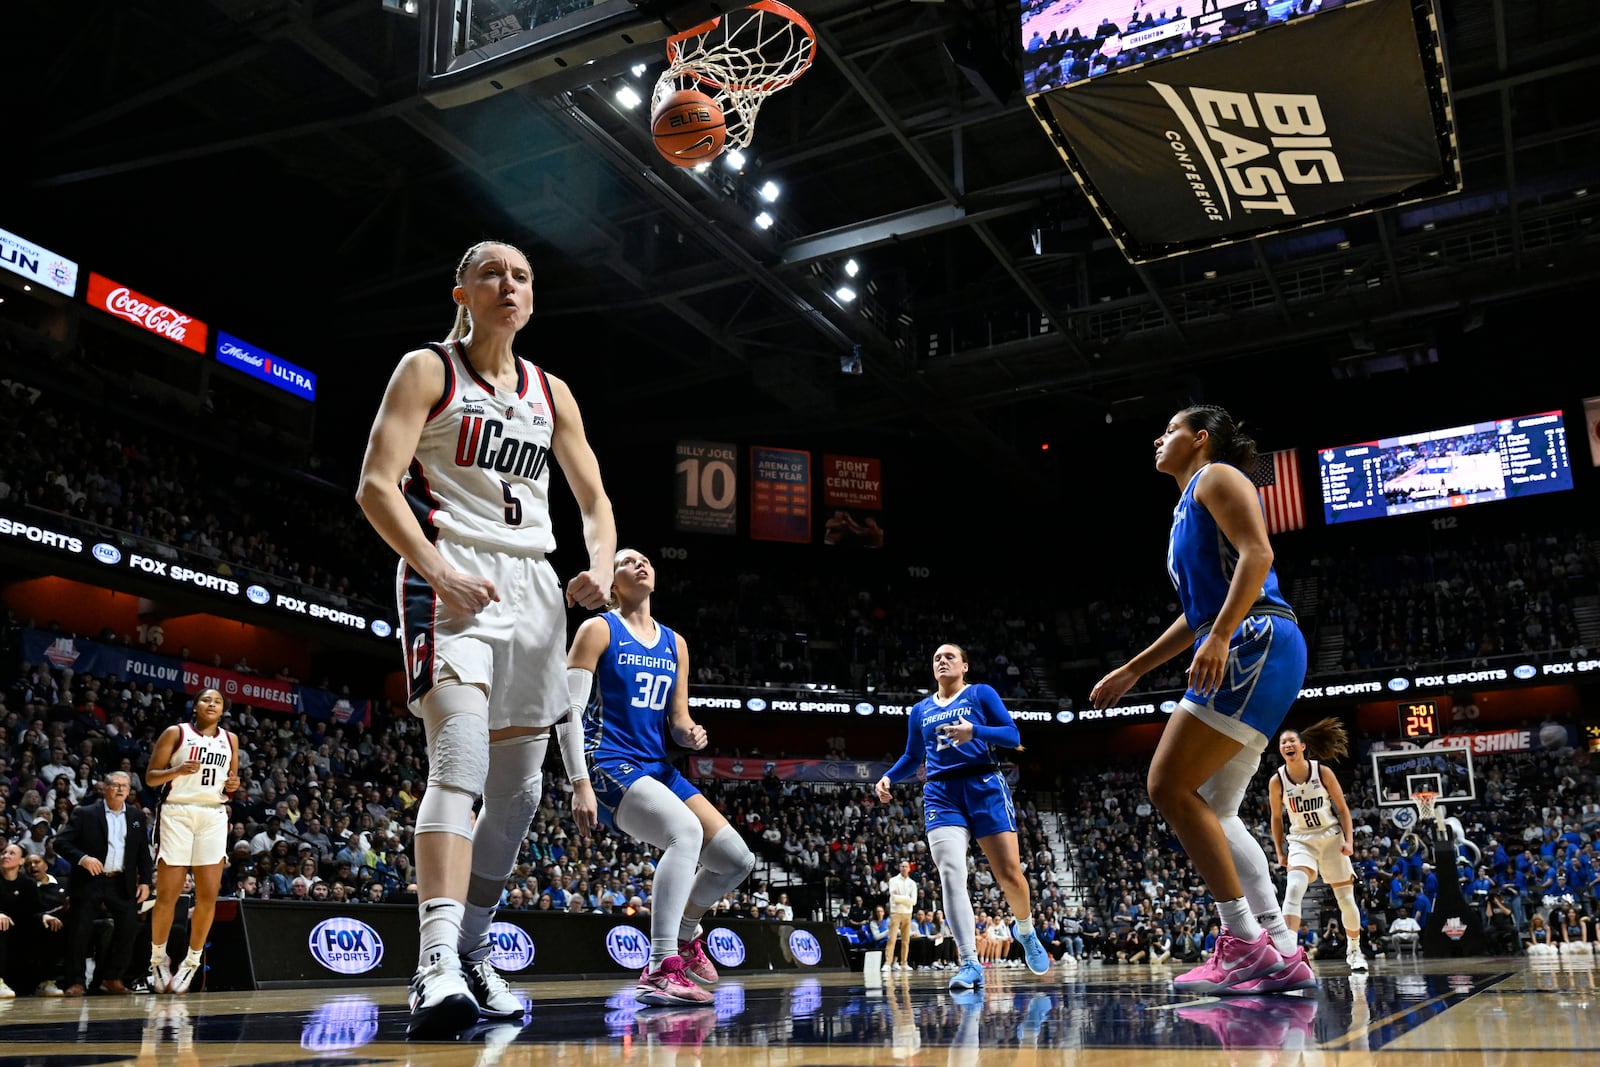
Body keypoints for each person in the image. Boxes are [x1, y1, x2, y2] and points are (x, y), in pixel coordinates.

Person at [357, 239, 616, 1038]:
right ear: (462, 290)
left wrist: (598, 569)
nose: (511, 284)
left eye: (524, 276)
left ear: (533, 299)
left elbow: (596, 502)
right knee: (460, 760)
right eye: (494, 273)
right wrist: (438, 571)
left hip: (536, 587)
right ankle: (433, 961)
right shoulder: (428, 369)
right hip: (452, 578)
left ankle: (471, 949)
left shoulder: (553, 391)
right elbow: (375, 484)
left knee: (519, 793)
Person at [1090, 405, 1312, 995]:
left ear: (1201, 438)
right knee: (1215, 807)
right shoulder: (1185, 504)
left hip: (1254, 636)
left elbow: (1258, 555)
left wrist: (1219, 635)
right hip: (1257, 640)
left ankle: (1243, 943)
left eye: (1170, 430)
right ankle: (1282, 948)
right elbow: (1196, 615)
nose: (1158, 438)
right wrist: (1134, 669)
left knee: (1166, 785)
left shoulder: (1216, 476)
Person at [568, 548, 755, 1007]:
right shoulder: (597, 629)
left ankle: (687, 934)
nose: (641, 564)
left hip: (657, 765)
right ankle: (659, 966)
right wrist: (579, 783)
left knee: (736, 859)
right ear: (611, 583)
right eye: (628, 561)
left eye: (646, 560)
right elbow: (566, 712)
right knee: (684, 832)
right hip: (607, 760)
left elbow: (677, 719)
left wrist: (689, 733)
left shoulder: (675, 643)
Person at [874, 643, 1052, 992]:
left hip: (984, 783)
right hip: (941, 792)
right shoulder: (920, 710)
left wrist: (976, 731)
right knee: (951, 874)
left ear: (965, 666)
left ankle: (1026, 931)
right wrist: (890, 776)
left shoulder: (981, 694)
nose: (942, 661)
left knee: (1010, 876)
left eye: (949, 656)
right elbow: (913, 755)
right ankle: (970, 962)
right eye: (937, 658)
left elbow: (1013, 736)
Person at [144, 688, 240, 995]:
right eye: (206, 700)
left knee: (208, 895)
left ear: (223, 709)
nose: (212, 704)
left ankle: (192, 961)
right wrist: (176, 770)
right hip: (177, 813)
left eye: (218, 702)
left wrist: (234, 785)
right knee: (167, 895)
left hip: (213, 814)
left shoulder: (231, 739)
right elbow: (151, 778)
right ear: (195, 706)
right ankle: (158, 958)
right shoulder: (177, 733)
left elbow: (230, 784)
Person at [1268, 718, 1366, 973]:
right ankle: (1289, 953)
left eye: (1291, 740)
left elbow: (1343, 810)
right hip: (1301, 840)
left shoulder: (1322, 772)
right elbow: (1276, 818)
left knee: (1345, 900)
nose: (1287, 744)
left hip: (1331, 837)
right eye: (1282, 742)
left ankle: (1354, 949)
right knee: (1294, 888)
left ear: (1302, 746)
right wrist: (1279, 851)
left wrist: (1349, 841)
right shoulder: (1277, 780)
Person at [54, 772, 154, 995]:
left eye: (125, 786)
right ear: (105, 788)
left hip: (121, 881)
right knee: (80, 931)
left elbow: (142, 853)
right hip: (90, 881)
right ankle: (76, 981)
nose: (120, 789)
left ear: (129, 791)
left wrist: (146, 881)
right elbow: (61, 842)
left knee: (128, 929)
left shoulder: (137, 816)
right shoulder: (85, 813)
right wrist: (83, 858)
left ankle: (112, 977)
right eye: (116, 785)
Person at [0, 842, 64, 997]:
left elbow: (35, 910)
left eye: (11, 853)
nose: (5, 856)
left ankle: (45, 982)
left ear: (21, 861)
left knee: (51, 925)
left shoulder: (27, 884)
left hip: (22, 929)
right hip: (2, 928)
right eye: (3, 853)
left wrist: (45, 916)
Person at [883, 860, 917, 972]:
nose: (904, 868)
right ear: (899, 868)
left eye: (906, 866)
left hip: (908, 913)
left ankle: (904, 962)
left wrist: (904, 899)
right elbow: (894, 897)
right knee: (891, 938)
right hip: (895, 912)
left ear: (909, 868)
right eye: (902, 866)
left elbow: (914, 901)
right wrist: (907, 898)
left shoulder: (912, 883)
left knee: (906, 940)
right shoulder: (893, 880)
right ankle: (888, 963)